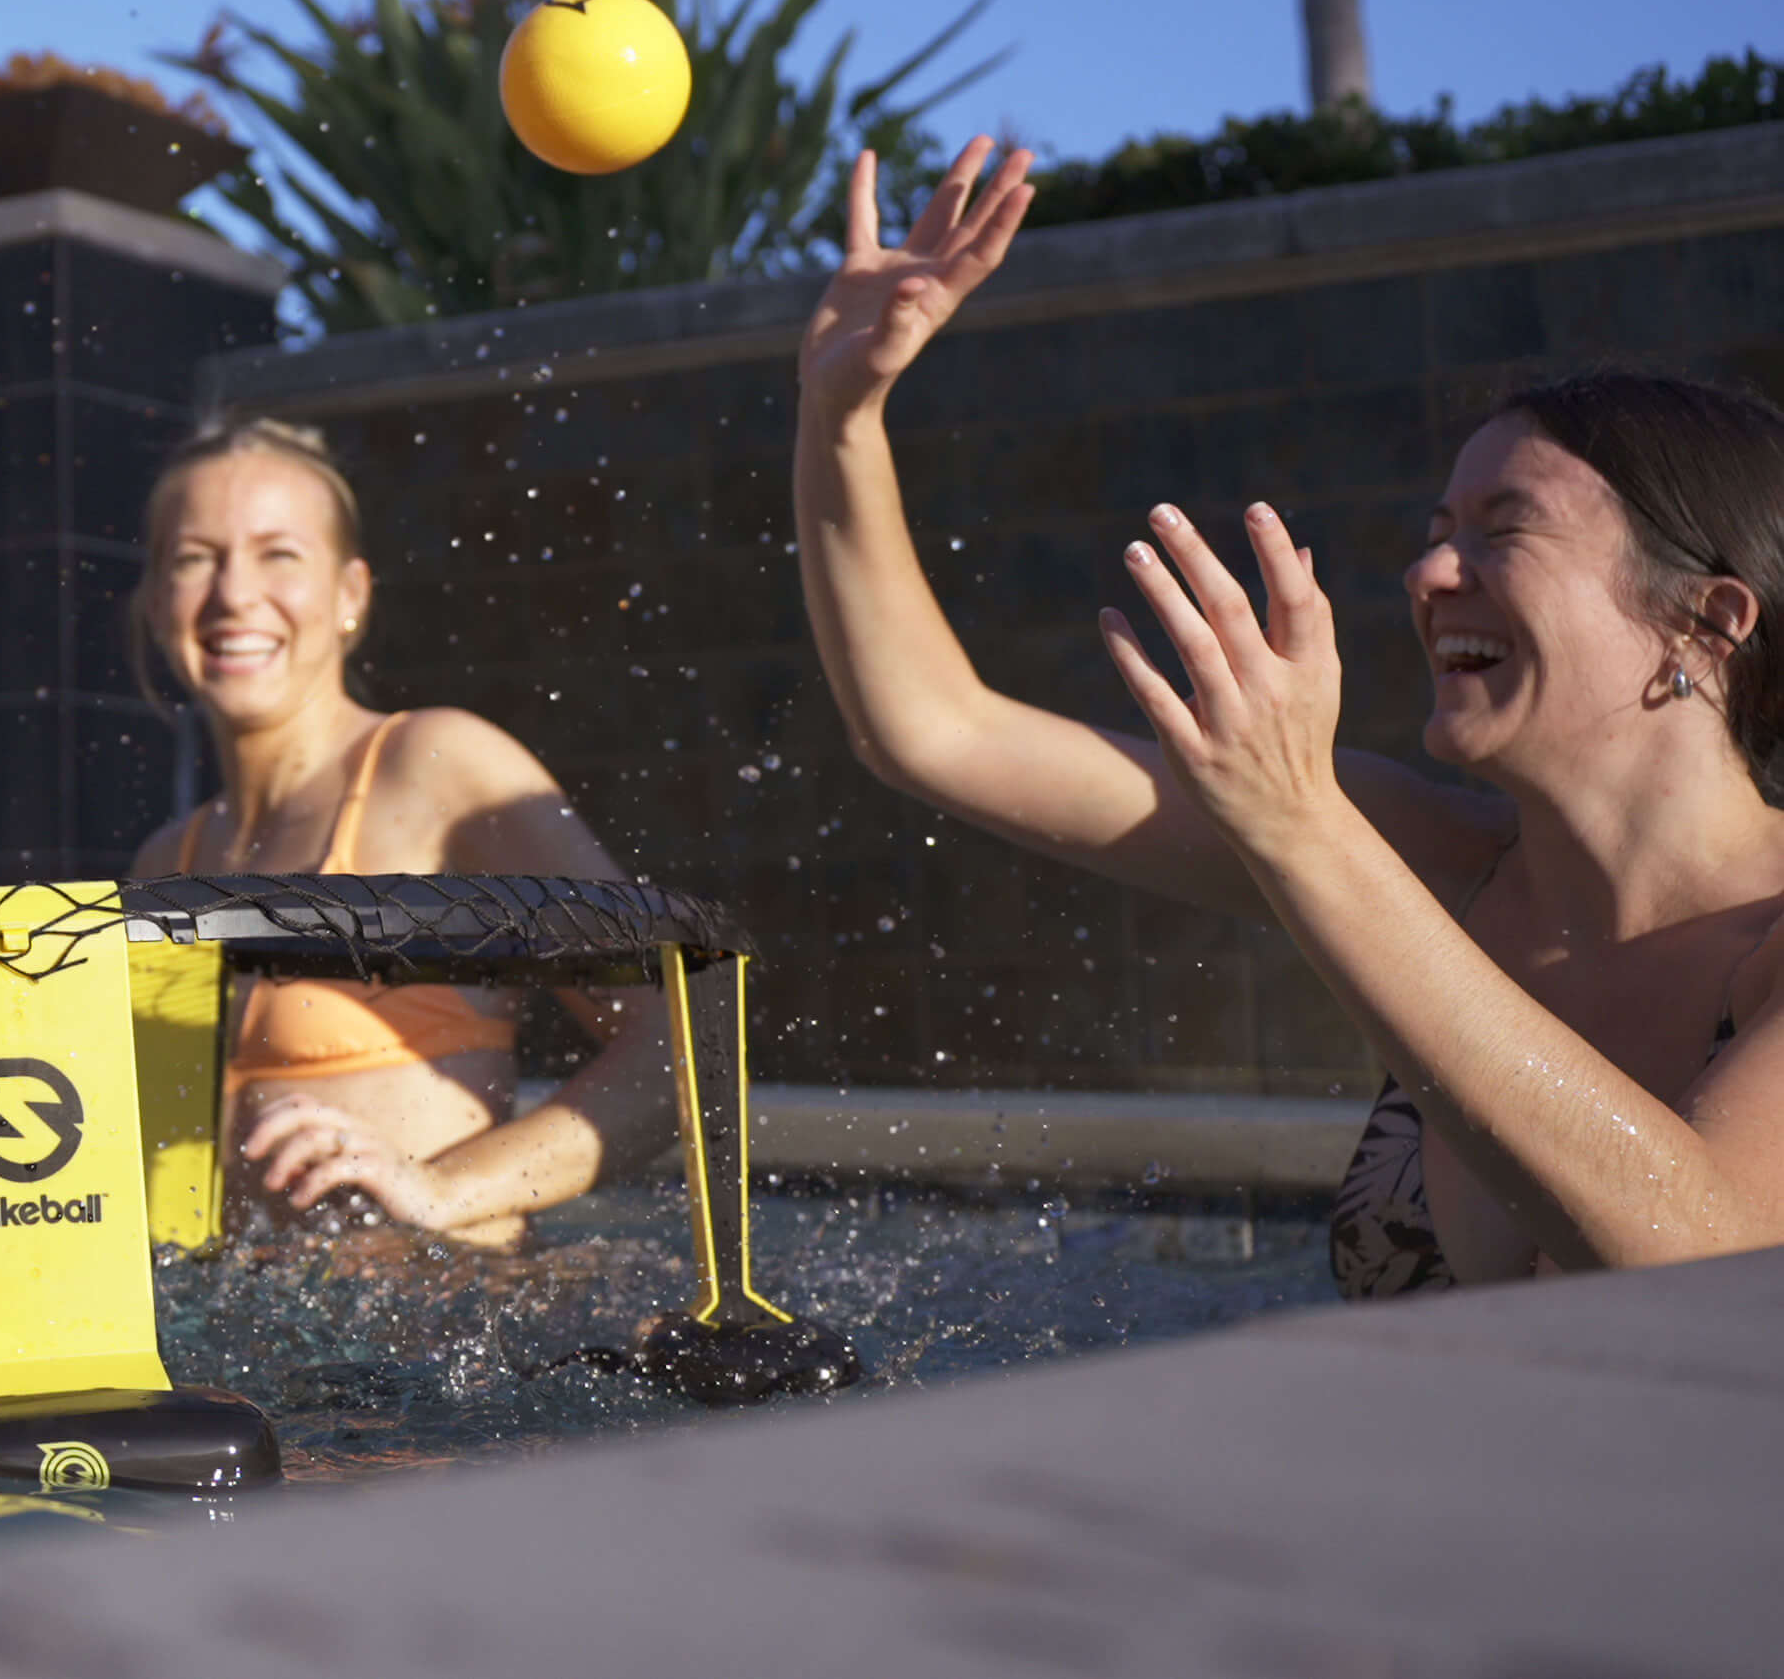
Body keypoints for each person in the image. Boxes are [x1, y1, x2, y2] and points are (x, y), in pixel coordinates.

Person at [798, 137, 1784, 1294]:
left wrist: (1299, 826)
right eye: (1433, 531)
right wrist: (837, 414)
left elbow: (1699, 1246)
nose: (1426, 576)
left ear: (1706, 622)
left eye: (1500, 529)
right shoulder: (1428, 862)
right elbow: (930, 729)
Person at [124, 418, 672, 1250]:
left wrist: (439, 1188)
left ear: (351, 594)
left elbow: (680, 1060)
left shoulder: (438, 768)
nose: (234, 595)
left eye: (279, 554)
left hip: (448, 1337)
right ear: (158, 601)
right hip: (260, 1358)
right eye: (195, 558)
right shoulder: (168, 860)